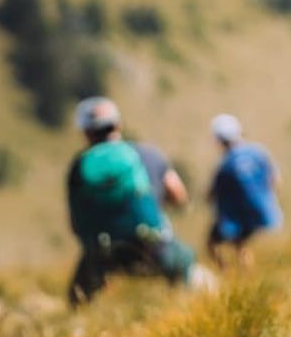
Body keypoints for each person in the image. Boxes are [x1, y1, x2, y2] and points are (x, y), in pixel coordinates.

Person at [66, 97, 200, 306]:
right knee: (186, 261)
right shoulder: (148, 154)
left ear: (86, 132)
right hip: (153, 249)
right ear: (118, 124)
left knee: (77, 297)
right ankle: (184, 309)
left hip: (103, 256)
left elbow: (76, 222)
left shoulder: (79, 166)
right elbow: (178, 195)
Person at [206, 114, 283, 268]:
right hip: (268, 216)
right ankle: (245, 274)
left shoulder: (225, 165)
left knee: (213, 243)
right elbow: (276, 180)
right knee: (243, 247)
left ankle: (227, 272)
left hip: (238, 220)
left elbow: (212, 194)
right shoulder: (259, 153)